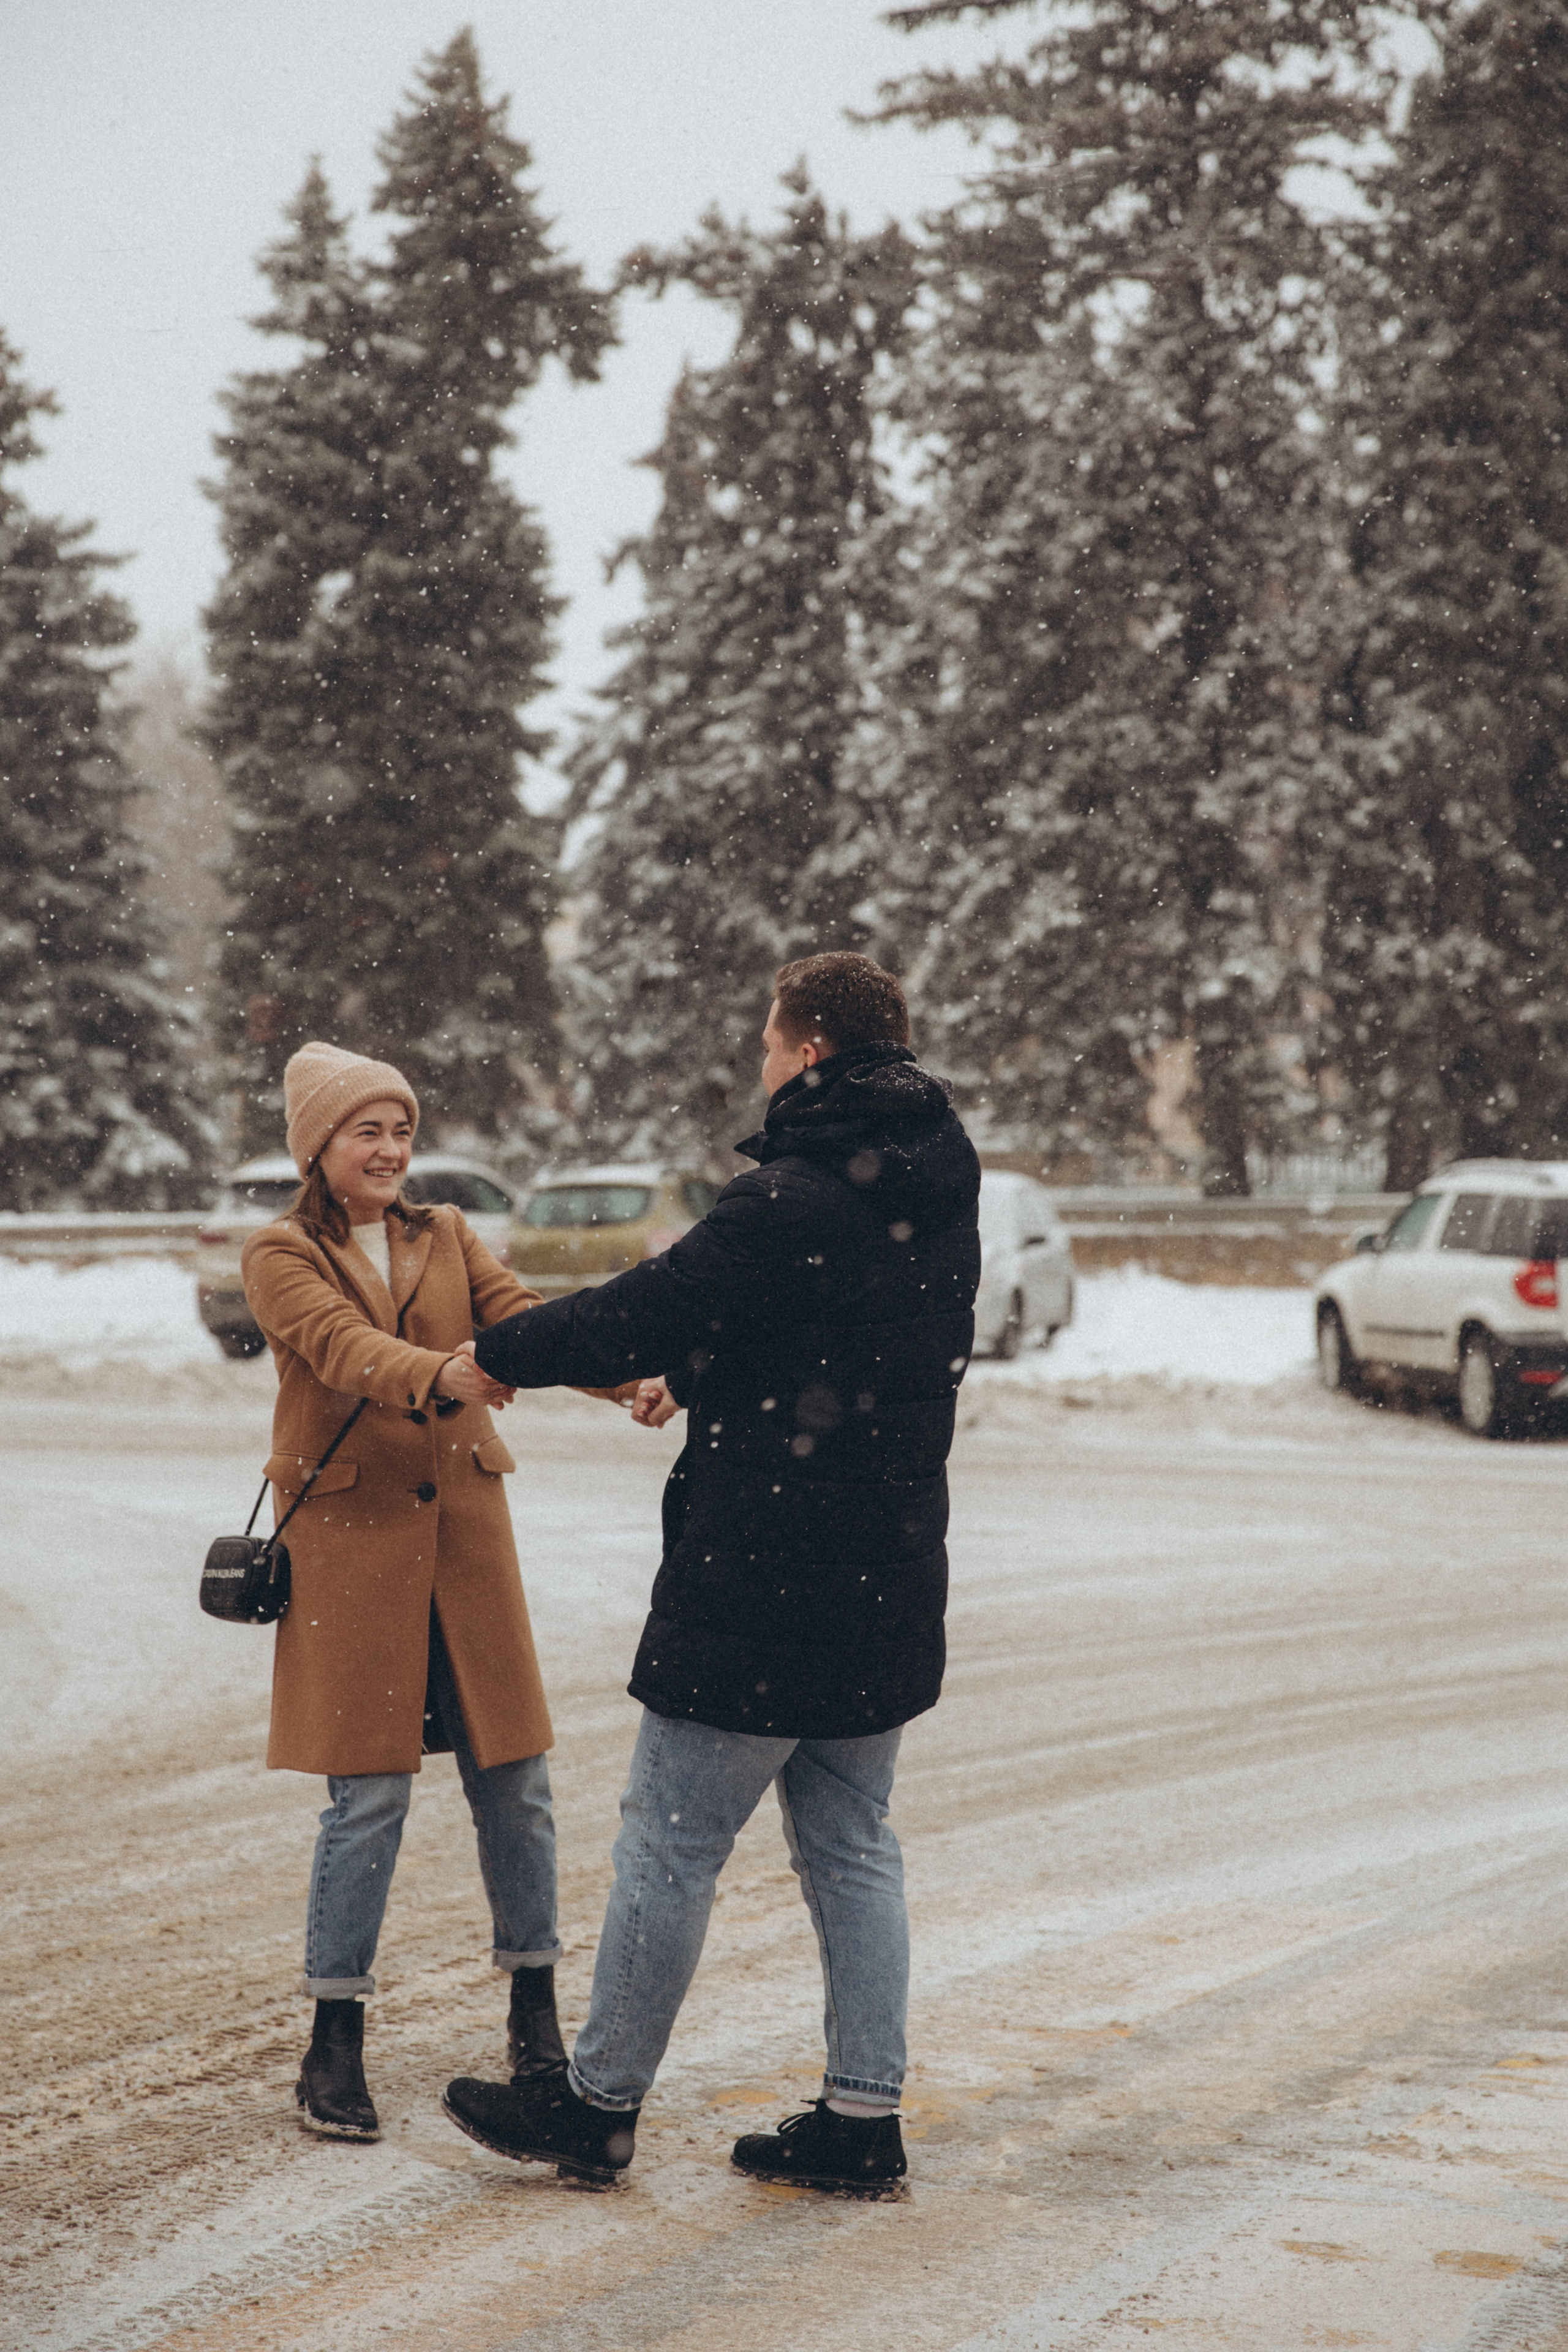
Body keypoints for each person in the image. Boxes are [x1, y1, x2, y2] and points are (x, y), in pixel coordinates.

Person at [441, 952, 981, 2192]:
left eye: (763, 1038)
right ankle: (861, 2119)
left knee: (670, 1846)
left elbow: (647, 1305)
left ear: (803, 1050)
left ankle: (596, 2105)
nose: (756, 1057)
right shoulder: (941, 1175)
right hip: (886, 1566)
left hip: (763, 1571)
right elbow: (827, 1326)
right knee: (850, 1846)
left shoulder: (787, 1196)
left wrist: (494, 1350)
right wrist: (701, 1375)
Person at [241, 1041, 627, 2143]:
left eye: (402, 1129)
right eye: (368, 1130)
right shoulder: (281, 1253)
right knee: (368, 1799)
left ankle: (535, 2020)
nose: (391, 1149)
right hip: (353, 1548)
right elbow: (342, 1348)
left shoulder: (445, 1232)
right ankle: (334, 2040)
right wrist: (440, 1371)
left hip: (465, 1538)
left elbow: (524, 1324)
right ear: (319, 1142)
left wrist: (627, 1378)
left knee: (519, 1783)